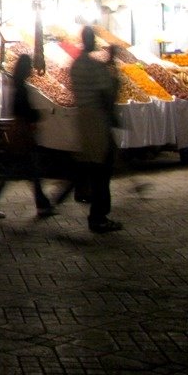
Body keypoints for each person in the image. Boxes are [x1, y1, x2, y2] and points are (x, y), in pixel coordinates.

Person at [57, 26, 123, 233]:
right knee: (102, 169)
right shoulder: (95, 66)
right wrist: (113, 69)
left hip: (83, 117)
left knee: (89, 162)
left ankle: (74, 192)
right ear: (91, 41)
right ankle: (99, 216)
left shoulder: (76, 64)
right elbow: (107, 93)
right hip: (97, 120)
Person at [0, 53, 54, 219]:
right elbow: (24, 110)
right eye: (30, 67)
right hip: (22, 133)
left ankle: (42, 204)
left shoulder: (17, 84)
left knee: (28, 171)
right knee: (20, 171)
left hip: (19, 132)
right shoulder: (21, 88)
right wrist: (39, 114)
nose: (32, 70)